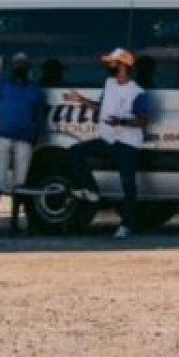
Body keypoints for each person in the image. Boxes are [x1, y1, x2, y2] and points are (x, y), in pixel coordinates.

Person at [63, 47, 151, 239]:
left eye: (112, 63)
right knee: (74, 152)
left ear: (123, 66)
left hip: (127, 143)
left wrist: (122, 122)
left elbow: (144, 120)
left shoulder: (137, 92)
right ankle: (92, 190)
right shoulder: (109, 83)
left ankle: (127, 224)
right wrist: (80, 99)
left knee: (127, 184)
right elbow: (100, 107)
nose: (108, 66)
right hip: (108, 140)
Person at [0, 52, 44, 237]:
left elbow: (39, 118)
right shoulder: (2, 87)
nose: (20, 68)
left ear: (28, 68)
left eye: (23, 65)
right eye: (17, 64)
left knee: (20, 183)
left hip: (25, 140)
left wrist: (34, 138)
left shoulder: (35, 90)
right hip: (2, 138)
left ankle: (14, 223)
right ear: (13, 67)